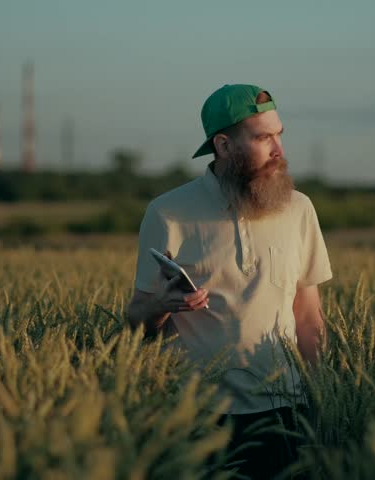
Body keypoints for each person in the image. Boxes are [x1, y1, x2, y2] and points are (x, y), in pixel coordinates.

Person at [127, 84, 333, 479]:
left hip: (284, 411)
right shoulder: (167, 212)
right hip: (198, 414)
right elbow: (137, 320)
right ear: (223, 145)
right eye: (263, 138)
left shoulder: (299, 209)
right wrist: (160, 306)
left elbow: (308, 317)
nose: (279, 151)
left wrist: (322, 401)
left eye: (279, 135)